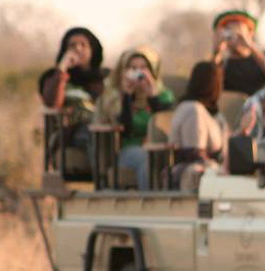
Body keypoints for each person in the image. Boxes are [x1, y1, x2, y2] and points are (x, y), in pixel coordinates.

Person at [95, 46, 174, 190]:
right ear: (123, 72)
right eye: (132, 68)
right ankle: (149, 203)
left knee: (158, 158)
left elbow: (165, 126)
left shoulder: (163, 95)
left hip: (160, 150)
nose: (139, 73)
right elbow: (126, 129)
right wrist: (127, 97)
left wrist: (152, 97)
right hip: (129, 151)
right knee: (145, 158)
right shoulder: (114, 97)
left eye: (144, 68)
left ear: (152, 71)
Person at [39, 27, 108, 168]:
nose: (77, 49)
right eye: (72, 45)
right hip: (73, 131)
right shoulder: (54, 77)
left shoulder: (106, 78)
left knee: (104, 133)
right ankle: (102, 181)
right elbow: (52, 103)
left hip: (105, 127)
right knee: (92, 133)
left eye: (83, 45)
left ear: (92, 49)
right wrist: (62, 69)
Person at [168, 61, 228, 193]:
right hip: (189, 171)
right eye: (220, 82)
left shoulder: (215, 114)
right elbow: (194, 153)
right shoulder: (193, 109)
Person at [211, 9, 265, 95]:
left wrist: (249, 45)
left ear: (250, 33)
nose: (234, 33)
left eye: (239, 28)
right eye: (228, 29)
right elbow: (208, 83)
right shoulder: (222, 64)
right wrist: (217, 52)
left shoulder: (263, 57)